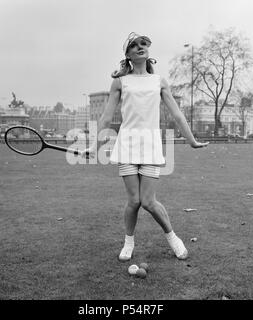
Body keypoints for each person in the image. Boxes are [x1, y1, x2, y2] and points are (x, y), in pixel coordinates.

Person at [81, 32, 209, 261]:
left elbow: (177, 115)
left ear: (148, 50)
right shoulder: (120, 82)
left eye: (143, 44)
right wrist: (93, 145)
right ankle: (128, 242)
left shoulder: (159, 81)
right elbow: (106, 117)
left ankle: (173, 238)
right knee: (134, 201)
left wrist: (191, 140)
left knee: (148, 201)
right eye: (134, 46)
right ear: (128, 55)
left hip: (151, 146)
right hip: (127, 146)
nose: (140, 47)